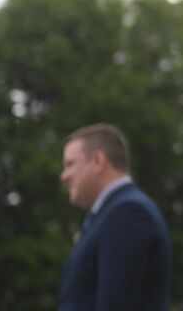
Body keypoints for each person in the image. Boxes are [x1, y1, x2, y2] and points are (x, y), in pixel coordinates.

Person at [58, 123, 172, 311]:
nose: (64, 176)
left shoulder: (127, 213)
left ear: (97, 160)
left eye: (70, 164)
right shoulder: (112, 213)